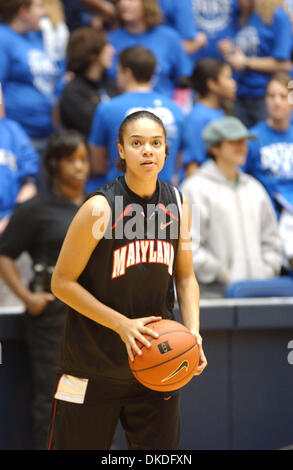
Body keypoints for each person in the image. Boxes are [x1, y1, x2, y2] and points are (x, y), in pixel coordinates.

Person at [48, 110, 207, 450]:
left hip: (157, 363)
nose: (147, 150)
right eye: (137, 143)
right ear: (120, 150)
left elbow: (185, 275)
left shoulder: (178, 203)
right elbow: (61, 282)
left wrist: (192, 333)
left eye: (156, 143)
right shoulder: (100, 208)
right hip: (92, 364)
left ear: (166, 150)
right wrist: (121, 324)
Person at [0, 130, 90, 449]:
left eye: (83, 159)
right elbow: (4, 254)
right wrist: (27, 297)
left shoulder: (101, 204)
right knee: (56, 400)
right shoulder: (36, 209)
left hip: (97, 318)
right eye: (70, 160)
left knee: (97, 400)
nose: (79, 167)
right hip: (53, 319)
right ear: (53, 165)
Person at [181, 117, 283, 298]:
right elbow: (187, 247)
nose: (242, 147)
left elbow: (272, 240)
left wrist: (265, 271)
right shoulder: (192, 189)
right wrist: (223, 274)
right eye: (234, 141)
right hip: (214, 298)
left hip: (259, 295)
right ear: (215, 148)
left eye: (243, 141)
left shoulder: (255, 187)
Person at [88, 46, 185, 191]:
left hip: (120, 198)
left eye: (118, 71)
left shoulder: (107, 109)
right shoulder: (176, 109)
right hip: (165, 199)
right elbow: (177, 160)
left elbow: (97, 163)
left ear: (128, 73)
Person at [0, 0, 61, 157]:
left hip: (47, 133)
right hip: (21, 136)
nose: (44, 13)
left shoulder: (36, 37)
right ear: (23, 11)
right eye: (39, 7)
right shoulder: (3, 38)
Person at [219, 0, 292, 128]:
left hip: (266, 96)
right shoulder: (244, 16)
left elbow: (284, 64)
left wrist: (247, 62)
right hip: (241, 94)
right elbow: (244, 54)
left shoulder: (277, 16)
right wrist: (230, 52)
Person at [107, 0, 192, 98]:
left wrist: (176, 108)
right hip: (121, 108)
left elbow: (184, 79)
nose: (124, 3)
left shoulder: (169, 38)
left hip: (161, 108)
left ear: (147, 4)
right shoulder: (110, 39)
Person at [182, 58, 237, 178]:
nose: (233, 83)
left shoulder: (219, 112)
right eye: (228, 78)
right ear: (212, 84)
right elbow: (192, 165)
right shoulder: (197, 118)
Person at [59, 27, 117, 137]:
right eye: (106, 46)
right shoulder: (73, 91)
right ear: (92, 53)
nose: (112, 50)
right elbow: (93, 127)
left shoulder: (111, 84)